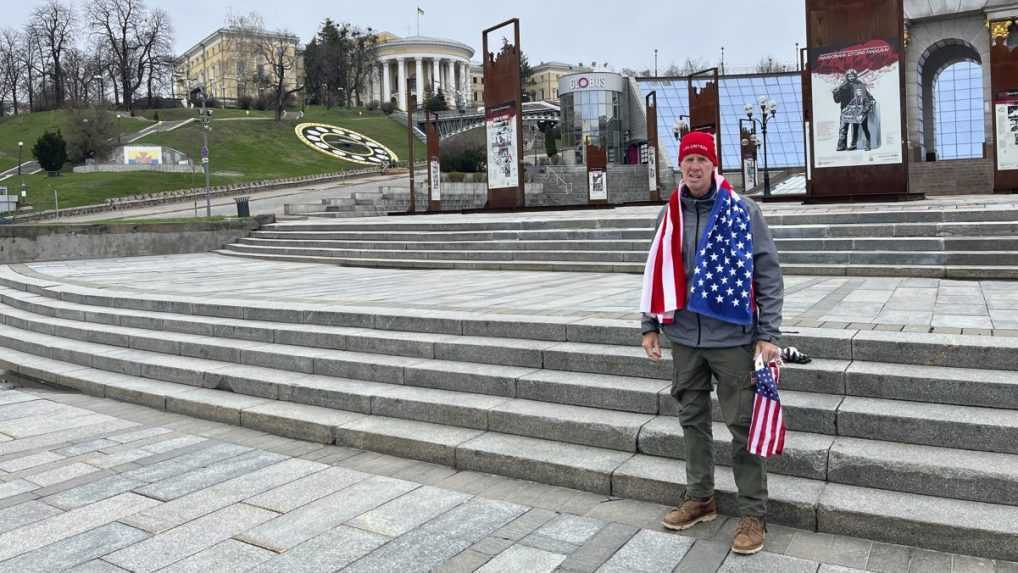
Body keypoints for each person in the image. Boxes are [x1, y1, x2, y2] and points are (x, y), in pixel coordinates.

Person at [640, 131, 783, 556]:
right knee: (692, 419)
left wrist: (768, 335)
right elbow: (655, 271)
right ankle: (700, 497)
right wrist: (650, 325)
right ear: (680, 167)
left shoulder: (743, 210)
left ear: (713, 165)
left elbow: (768, 274)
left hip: (732, 338)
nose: (695, 167)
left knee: (742, 426)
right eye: (689, 160)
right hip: (684, 336)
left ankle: (753, 513)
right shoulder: (669, 215)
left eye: (702, 159)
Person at [833, 69, 875, 151]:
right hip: (846, 110)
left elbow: (866, 95)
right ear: (847, 76)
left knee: (856, 128)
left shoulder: (860, 84)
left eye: (852, 75)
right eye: (849, 76)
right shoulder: (843, 86)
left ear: (855, 76)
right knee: (843, 128)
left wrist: (870, 101)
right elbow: (837, 100)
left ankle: (854, 144)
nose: (851, 77)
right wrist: (835, 93)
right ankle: (841, 145)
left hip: (857, 110)